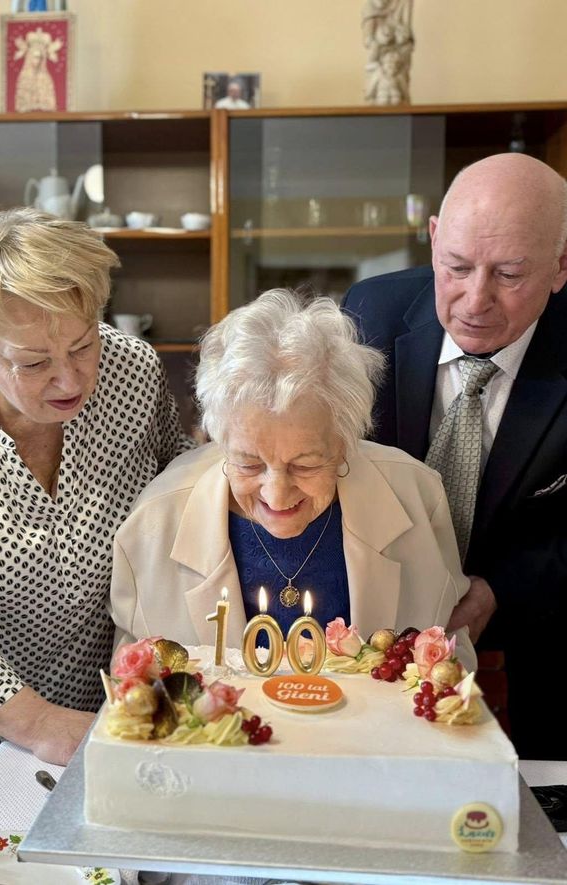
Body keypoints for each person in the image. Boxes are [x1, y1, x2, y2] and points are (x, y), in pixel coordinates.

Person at [0, 208, 190, 793]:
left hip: (126, 680)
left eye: (83, 345)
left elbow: (178, 485)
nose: (71, 381)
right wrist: (37, 724)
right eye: (33, 363)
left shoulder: (133, 372)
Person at [110, 289, 476, 676]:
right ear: (218, 439)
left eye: (305, 464)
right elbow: (133, 687)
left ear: (345, 440)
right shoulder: (155, 522)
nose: (276, 493)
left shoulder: (417, 498)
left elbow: (450, 663)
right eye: (249, 463)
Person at [342, 152, 567, 760]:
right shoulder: (369, 314)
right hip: (377, 626)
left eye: (510, 274)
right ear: (435, 237)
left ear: (560, 266)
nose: (475, 300)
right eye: (457, 267)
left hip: (543, 631)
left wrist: (502, 588)